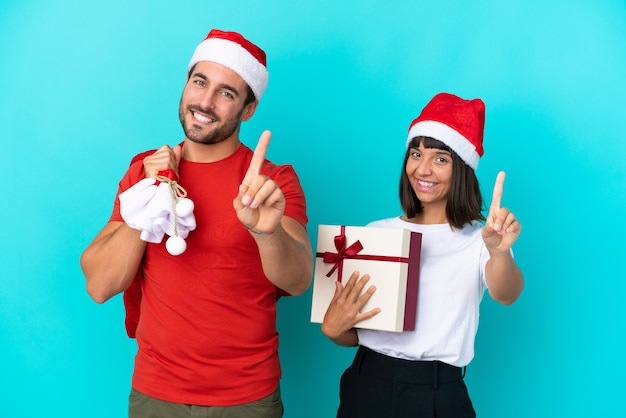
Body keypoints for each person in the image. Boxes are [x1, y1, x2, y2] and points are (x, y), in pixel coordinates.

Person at [80, 29, 313, 418]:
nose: (204, 102)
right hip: (155, 392)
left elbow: (299, 279)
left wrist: (262, 228)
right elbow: (101, 285)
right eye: (199, 82)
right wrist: (153, 196)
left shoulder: (272, 181)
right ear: (186, 84)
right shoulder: (144, 170)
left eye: (226, 93)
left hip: (247, 397)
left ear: (248, 109)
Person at [321, 92, 524, 418]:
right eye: (416, 153)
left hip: (437, 392)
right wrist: (333, 329)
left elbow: (507, 293)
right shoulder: (376, 232)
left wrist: (499, 253)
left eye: (441, 159)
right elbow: (359, 330)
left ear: (462, 170)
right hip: (367, 380)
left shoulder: (480, 239)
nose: (423, 169)